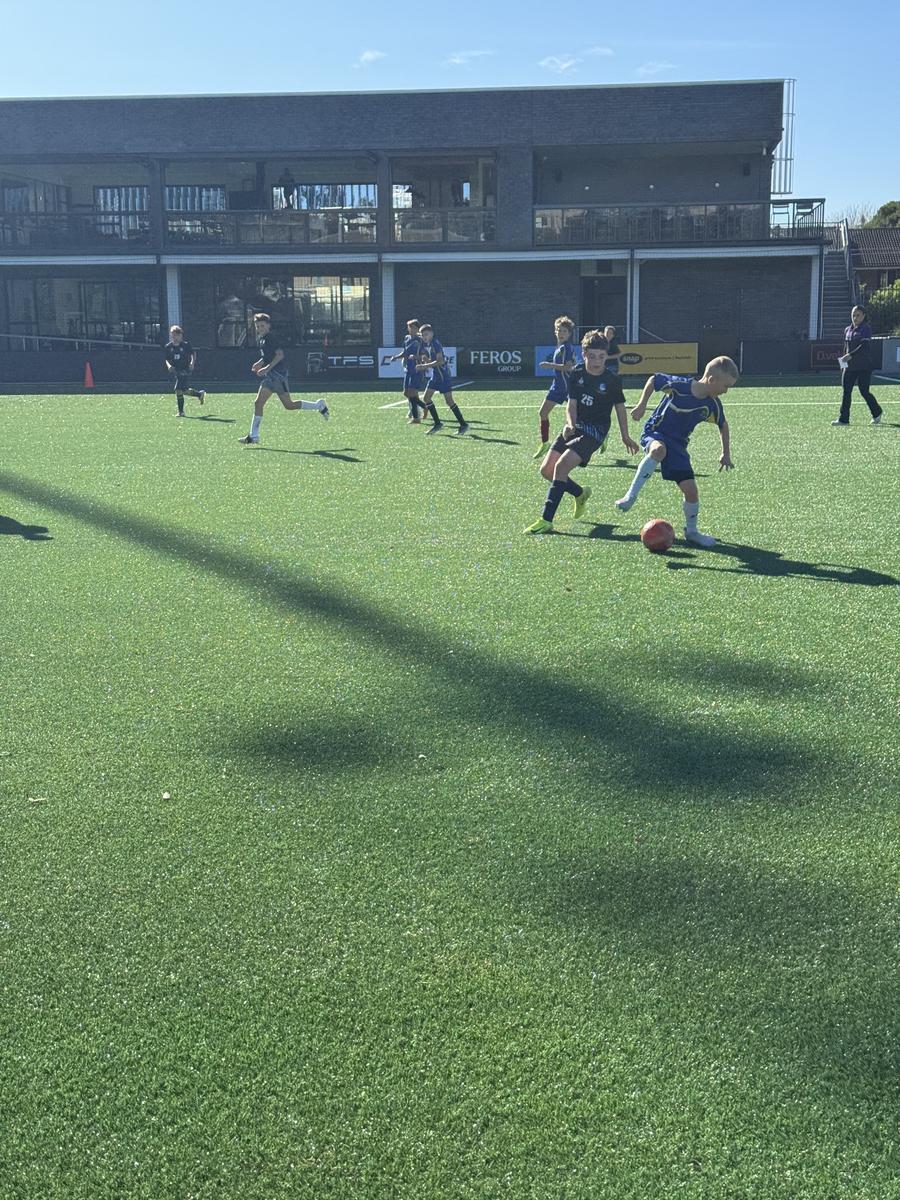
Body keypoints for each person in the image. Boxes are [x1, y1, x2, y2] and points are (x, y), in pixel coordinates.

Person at [614, 356, 738, 548]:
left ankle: (692, 532)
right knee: (658, 450)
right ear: (712, 379)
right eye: (725, 386)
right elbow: (654, 380)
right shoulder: (680, 386)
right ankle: (630, 496)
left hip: (678, 446)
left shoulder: (712, 404)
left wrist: (725, 453)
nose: (726, 391)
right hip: (655, 433)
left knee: (691, 492)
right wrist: (642, 404)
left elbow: (723, 425)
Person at [524, 330, 639, 534]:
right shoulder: (576, 373)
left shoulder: (612, 379)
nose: (597, 361)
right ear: (584, 354)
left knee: (561, 467)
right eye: (592, 356)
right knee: (546, 471)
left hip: (596, 430)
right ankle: (579, 493)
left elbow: (620, 408)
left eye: (601, 357)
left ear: (606, 355)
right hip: (576, 425)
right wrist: (570, 424)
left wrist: (625, 435)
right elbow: (572, 404)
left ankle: (546, 520)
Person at [238, 313, 329, 445]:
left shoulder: (271, 338)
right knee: (258, 403)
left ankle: (319, 405)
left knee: (289, 405)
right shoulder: (262, 339)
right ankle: (254, 436)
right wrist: (259, 363)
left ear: (268, 326)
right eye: (257, 326)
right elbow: (267, 356)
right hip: (270, 377)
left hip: (278, 376)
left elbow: (280, 355)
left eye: (262, 326)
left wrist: (266, 368)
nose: (259, 328)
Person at [532, 315, 577, 459]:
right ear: (555, 332)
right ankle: (545, 443)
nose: (561, 333)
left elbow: (568, 367)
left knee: (576, 420)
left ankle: (600, 437)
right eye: (559, 330)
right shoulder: (559, 348)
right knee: (543, 413)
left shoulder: (566, 347)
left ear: (569, 334)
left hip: (567, 387)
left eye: (564, 331)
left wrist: (549, 365)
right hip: (557, 386)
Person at [832, 305, 883, 426]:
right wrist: (843, 362)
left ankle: (877, 412)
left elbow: (864, 346)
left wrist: (850, 355)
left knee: (864, 391)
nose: (855, 318)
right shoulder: (847, 330)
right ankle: (843, 419)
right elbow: (846, 347)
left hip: (864, 366)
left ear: (864, 316)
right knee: (846, 392)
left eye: (858, 315)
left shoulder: (866, 328)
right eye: (853, 315)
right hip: (850, 367)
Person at [418, 324, 469, 435]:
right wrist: (427, 361)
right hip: (436, 375)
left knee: (449, 401)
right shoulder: (431, 344)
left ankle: (463, 424)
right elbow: (436, 361)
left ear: (431, 333)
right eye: (422, 335)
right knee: (426, 398)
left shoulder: (435, 343)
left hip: (443, 376)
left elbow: (440, 361)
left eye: (426, 334)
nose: (424, 337)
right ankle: (437, 424)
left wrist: (424, 366)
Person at [388, 318, 426, 423]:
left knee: (412, 392)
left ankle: (415, 415)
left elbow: (425, 356)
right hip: (408, 368)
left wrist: (416, 357)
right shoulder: (407, 338)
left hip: (417, 369)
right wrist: (396, 357)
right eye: (409, 327)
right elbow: (405, 352)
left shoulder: (420, 340)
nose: (411, 329)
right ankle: (424, 407)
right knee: (406, 393)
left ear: (417, 328)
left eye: (413, 327)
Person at [163, 325, 205, 417]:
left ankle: (181, 412)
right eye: (172, 335)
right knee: (184, 390)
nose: (174, 337)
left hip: (185, 369)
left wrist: (192, 363)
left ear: (180, 335)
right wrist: (169, 366)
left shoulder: (186, 345)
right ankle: (199, 394)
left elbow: (193, 353)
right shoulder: (168, 346)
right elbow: (167, 359)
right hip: (176, 371)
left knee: (178, 389)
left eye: (175, 335)